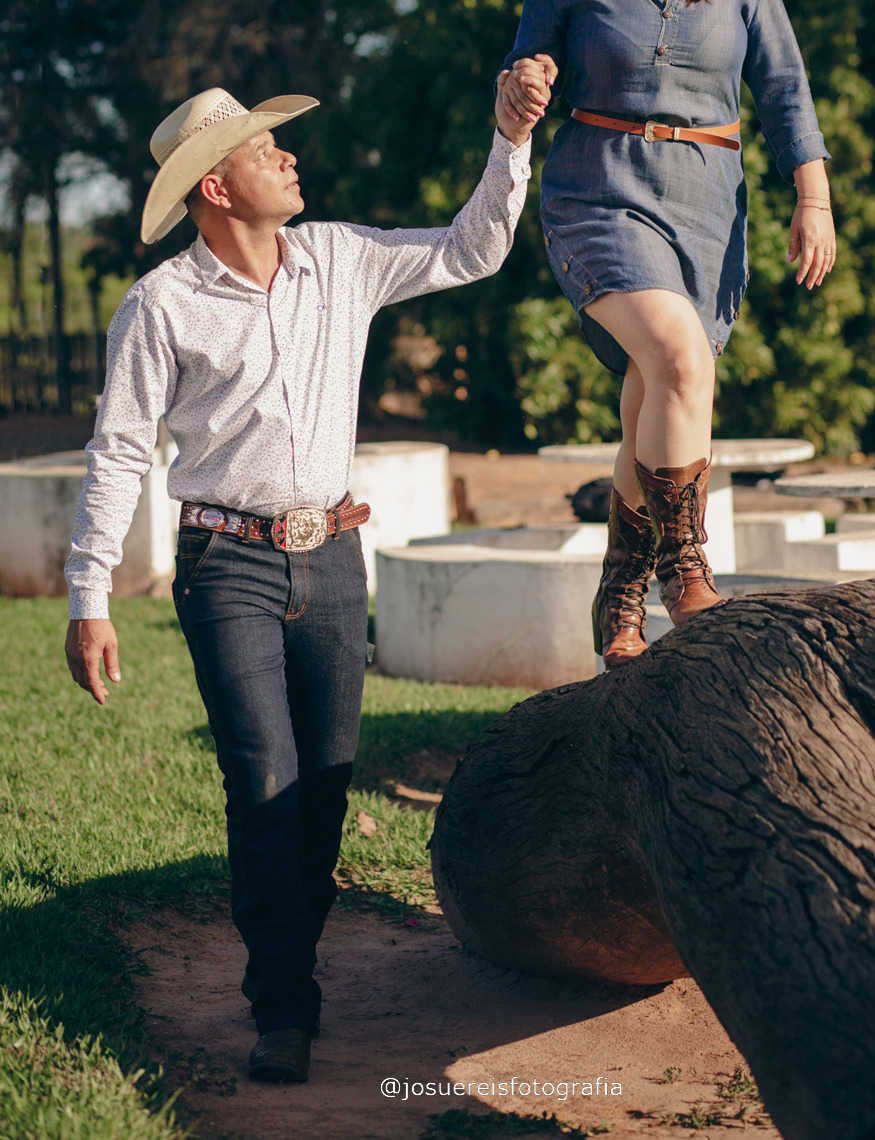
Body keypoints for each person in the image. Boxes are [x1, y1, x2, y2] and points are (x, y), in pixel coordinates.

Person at [64, 78, 538, 1083]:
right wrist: (88, 596)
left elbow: (472, 248)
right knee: (262, 778)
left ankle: (293, 951)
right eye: (260, 147)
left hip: (331, 558)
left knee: (323, 787)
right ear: (216, 190)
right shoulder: (161, 306)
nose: (284, 154)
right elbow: (117, 452)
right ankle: (282, 1000)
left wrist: (509, 138)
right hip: (222, 563)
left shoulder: (339, 257)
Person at [498, 0, 836, 668]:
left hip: (709, 200)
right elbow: (522, 63)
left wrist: (814, 198)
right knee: (678, 358)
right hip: (598, 188)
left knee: (656, 394)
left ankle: (618, 592)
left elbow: (784, 89)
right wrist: (524, 83)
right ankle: (685, 569)